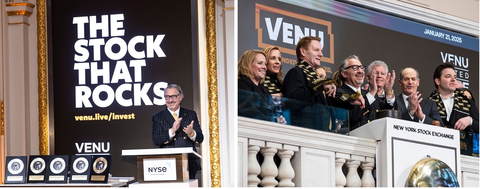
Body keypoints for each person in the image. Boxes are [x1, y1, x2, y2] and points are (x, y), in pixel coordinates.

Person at [282, 36, 336, 130]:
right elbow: (294, 99)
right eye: (316, 50)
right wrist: (320, 85)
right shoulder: (296, 72)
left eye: (321, 51)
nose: (321, 54)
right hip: (304, 132)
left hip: (322, 133)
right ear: (303, 52)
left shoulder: (316, 77)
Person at [152, 84, 204, 179]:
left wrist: (191, 133)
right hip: (166, 164)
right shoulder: (157, 117)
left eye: (173, 97)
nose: (170, 100)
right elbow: (156, 140)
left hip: (189, 163)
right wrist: (171, 131)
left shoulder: (190, 114)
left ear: (180, 97)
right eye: (167, 97)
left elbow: (200, 138)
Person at [331, 55, 382, 130]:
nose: (360, 71)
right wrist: (372, 92)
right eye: (355, 68)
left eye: (361, 68)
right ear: (344, 74)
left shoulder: (369, 94)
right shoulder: (338, 92)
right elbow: (354, 115)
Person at [429, 63, 478, 133]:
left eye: (455, 77)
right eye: (448, 76)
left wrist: (470, 120)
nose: (453, 79)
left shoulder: (467, 102)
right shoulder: (429, 103)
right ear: (438, 81)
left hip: (462, 143)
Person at [237, 50, 275, 122]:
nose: (265, 67)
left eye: (265, 64)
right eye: (260, 63)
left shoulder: (264, 90)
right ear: (247, 64)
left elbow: (273, 111)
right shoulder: (241, 84)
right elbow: (249, 111)